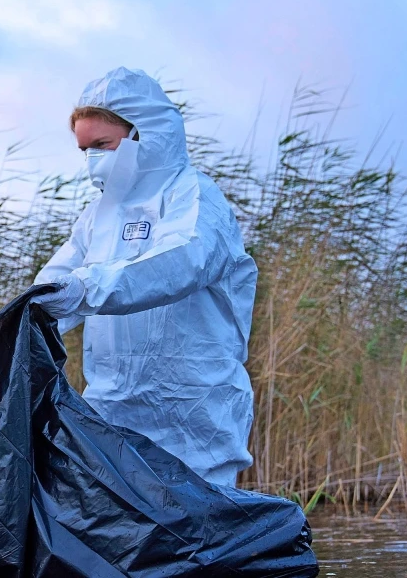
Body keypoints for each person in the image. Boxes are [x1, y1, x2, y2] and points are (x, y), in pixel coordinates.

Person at [32, 67, 258, 487]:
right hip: (113, 414)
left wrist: (87, 288)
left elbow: (180, 263)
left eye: (102, 145)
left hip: (194, 417)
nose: (93, 160)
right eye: (85, 150)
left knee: (199, 542)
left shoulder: (195, 198)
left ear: (144, 134)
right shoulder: (98, 218)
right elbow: (50, 292)